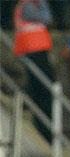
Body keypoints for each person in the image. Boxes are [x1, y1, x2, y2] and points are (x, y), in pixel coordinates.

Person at [14, 0, 54, 143]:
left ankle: (47, 130)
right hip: (32, 50)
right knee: (41, 91)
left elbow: (47, 18)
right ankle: (43, 130)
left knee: (46, 91)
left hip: (39, 50)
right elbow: (46, 18)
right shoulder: (27, 5)